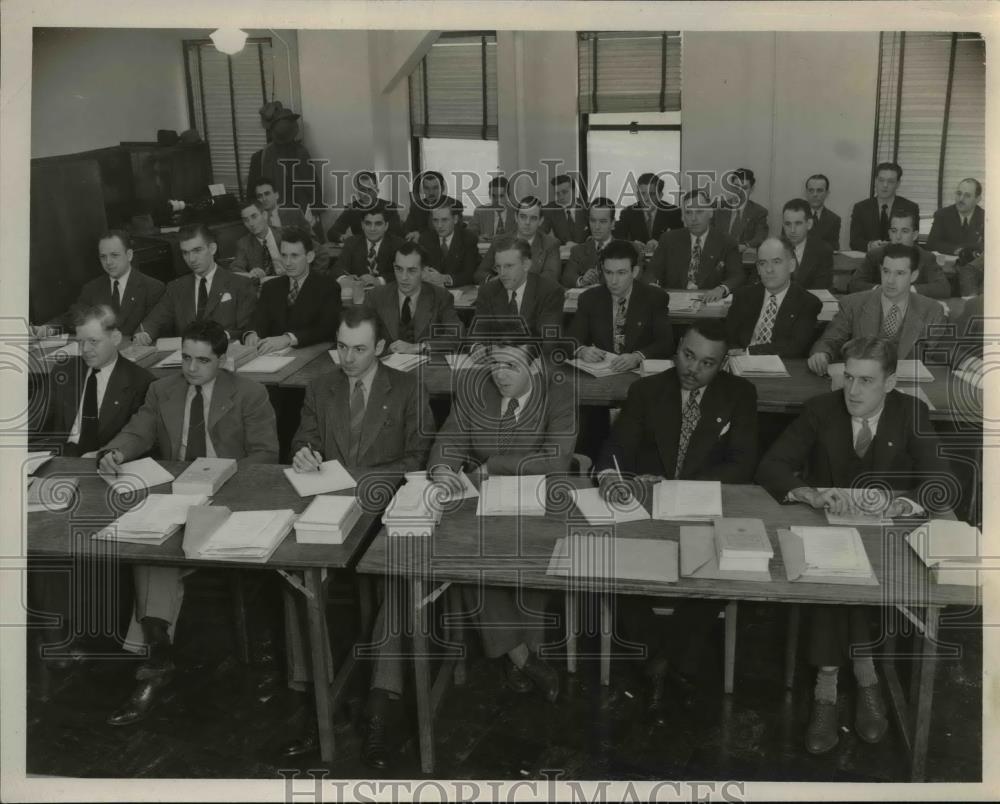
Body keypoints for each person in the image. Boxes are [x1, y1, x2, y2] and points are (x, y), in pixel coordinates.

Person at [757, 336, 949, 755]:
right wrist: (808, 493)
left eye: (867, 380)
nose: (854, 391)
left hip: (886, 540)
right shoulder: (820, 410)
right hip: (826, 532)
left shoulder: (910, 412)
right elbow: (772, 464)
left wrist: (901, 501)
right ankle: (853, 680)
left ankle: (838, 681)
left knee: (853, 578)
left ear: (891, 382)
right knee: (835, 578)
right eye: (848, 378)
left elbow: (943, 482)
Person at [97, 320, 279, 727]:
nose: (192, 368)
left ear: (223, 359)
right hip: (176, 497)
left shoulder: (250, 393)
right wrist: (114, 451)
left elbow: (266, 455)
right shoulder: (163, 390)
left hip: (229, 501)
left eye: (203, 360)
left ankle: (155, 664)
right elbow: (137, 432)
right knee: (148, 550)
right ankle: (157, 659)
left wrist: (218, 480)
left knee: (162, 554)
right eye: (186, 358)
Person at [282, 305, 433, 762]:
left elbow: (418, 457)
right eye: (342, 348)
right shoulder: (321, 386)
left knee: (397, 578)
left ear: (381, 348)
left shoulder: (407, 388)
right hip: (332, 505)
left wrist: (362, 478)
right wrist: (305, 452)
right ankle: (318, 696)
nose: (347, 359)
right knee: (294, 574)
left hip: (386, 506)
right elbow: (302, 438)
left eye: (359, 350)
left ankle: (379, 703)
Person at [596, 320, 758, 724]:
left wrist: (679, 486)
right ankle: (669, 659)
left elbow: (743, 464)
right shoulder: (646, 391)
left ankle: (660, 659)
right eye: (687, 355)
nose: (693, 368)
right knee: (611, 566)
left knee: (719, 571)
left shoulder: (740, 395)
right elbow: (615, 450)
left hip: (704, 509)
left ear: (722, 364)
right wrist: (613, 479)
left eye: (707, 363)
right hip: (647, 511)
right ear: (677, 347)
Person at [33, 304, 154, 456]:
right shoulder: (65, 370)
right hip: (61, 457)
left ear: (115, 338)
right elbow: (36, 418)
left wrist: (105, 455)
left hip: (104, 460)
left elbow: (136, 438)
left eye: (93, 341)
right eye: (80, 342)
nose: (85, 349)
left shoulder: (140, 381)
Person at [808, 243, 946, 375]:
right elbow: (830, 340)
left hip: (909, 388)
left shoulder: (932, 310)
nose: (890, 280)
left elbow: (939, 352)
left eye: (899, 273)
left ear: (914, 275)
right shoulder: (853, 304)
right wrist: (822, 354)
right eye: (886, 271)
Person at [133, 224, 256, 344]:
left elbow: (247, 330)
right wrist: (144, 334)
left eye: (197, 250)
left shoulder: (240, 284)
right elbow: (155, 320)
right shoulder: (176, 288)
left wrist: (223, 337)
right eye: (185, 253)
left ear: (212, 248)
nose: (191, 259)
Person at [34, 231, 164, 338]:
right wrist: (49, 328)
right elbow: (72, 316)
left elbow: (156, 328)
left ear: (129, 255)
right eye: (103, 256)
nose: (108, 262)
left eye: (114, 255)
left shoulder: (153, 288)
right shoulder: (92, 288)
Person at [569, 239, 674, 365]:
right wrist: (582, 351)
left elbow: (666, 343)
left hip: (638, 374)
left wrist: (637, 357)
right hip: (601, 374)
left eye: (621, 273)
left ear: (634, 272)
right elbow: (570, 338)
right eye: (608, 272)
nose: (613, 281)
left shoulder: (655, 298)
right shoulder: (589, 298)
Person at [243, 227, 341, 354]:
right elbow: (257, 319)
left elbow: (327, 329)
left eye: (294, 256)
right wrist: (251, 334)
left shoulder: (328, 287)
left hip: (311, 355)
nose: (287, 263)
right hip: (271, 357)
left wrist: (288, 339)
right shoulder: (271, 287)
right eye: (284, 255)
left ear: (310, 257)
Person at [725, 238, 822, 357]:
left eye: (776, 262)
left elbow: (795, 347)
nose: (769, 270)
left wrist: (749, 352)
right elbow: (728, 336)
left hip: (784, 367)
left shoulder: (808, 303)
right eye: (762, 263)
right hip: (740, 364)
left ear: (791, 266)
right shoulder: (743, 296)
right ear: (758, 268)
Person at [644, 189, 744, 301]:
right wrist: (652, 285)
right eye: (688, 212)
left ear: (711, 212)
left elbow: (737, 276)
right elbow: (652, 271)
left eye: (699, 211)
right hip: (672, 304)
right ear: (683, 216)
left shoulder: (726, 242)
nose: (693, 218)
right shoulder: (668, 239)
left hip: (709, 304)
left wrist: (722, 289)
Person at [368, 242, 463, 354]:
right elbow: (361, 335)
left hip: (426, 368)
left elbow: (457, 335)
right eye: (398, 269)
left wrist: (418, 347)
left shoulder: (440, 296)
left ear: (423, 271)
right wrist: (385, 350)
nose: (403, 277)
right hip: (387, 367)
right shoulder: (375, 296)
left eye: (411, 270)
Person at [472, 236, 565, 339]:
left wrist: (520, 352)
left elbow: (549, 341)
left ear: (526, 265)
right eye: (498, 267)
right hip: (495, 353)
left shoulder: (550, 292)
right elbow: (477, 336)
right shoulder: (487, 291)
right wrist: (479, 348)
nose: (502, 273)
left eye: (509, 266)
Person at [846, 209, 950, 298]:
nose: (898, 237)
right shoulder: (875, 255)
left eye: (904, 231)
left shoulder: (926, 257)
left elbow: (943, 287)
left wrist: (906, 290)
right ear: (889, 233)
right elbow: (854, 284)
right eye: (894, 231)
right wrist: (881, 289)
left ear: (914, 235)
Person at [475, 196, 561, 285]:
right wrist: (496, 281)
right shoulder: (499, 241)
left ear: (540, 221)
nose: (527, 222)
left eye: (533, 218)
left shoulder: (550, 244)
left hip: (534, 295)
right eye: (523, 217)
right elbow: (480, 274)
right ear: (516, 217)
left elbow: (551, 277)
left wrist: (518, 282)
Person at [848, 161, 920, 252]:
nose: (885, 185)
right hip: (869, 259)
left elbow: (914, 240)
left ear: (898, 184)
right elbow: (854, 242)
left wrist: (893, 246)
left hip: (899, 259)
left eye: (890, 181)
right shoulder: (861, 208)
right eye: (881, 180)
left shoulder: (910, 207)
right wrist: (870, 245)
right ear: (875, 181)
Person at [334, 204, 405, 293]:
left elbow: (403, 272)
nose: (372, 229)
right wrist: (344, 279)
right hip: (357, 295)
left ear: (386, 226)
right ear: (362, 225)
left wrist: (379, 281)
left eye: (378, 224)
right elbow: (338, 268)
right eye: (368, 223)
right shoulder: (351, 243)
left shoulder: (398, 244)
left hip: (388, 295)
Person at [614, 171, 683, 253]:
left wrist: (661, 244)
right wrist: (632, 244)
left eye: (652, 194)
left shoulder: (673, 212)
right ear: (638, 195)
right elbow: (618, 238)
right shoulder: (628, 213)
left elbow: (680, 240)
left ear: (660, 195)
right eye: (643, 194)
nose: (646, 199)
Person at [326, 170, 404, 241]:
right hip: (359, 251)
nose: (366, 194)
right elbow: (332, 232)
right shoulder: (352, 208)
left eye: (369, 189)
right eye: (362, 190)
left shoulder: (389, 207)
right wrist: (342, 237)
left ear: (376, 190)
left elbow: (397, 233)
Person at [418, 199, 479, 288]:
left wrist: (446, 278)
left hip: (460, 290)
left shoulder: (468, 239)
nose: (439, 225)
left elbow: (470, 274)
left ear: (455, 219)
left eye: (444, 220)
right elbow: (421, 267)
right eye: (435, 220)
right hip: (432, 290)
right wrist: (423, 272)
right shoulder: (425, 239)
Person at [561, 197, 616, 288]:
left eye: (602, 221)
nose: (596, 227)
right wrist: (582, 281)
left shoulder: (626, 250)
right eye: (593, 221)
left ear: (613, 223)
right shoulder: (578, 251)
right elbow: (567, 278)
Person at [781, 198, 834, 289]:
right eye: (788, 224)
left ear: (809, 224)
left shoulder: (823, 251)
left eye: (798, 223)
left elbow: (822, 288)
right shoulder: (774, 249)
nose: (792, 230)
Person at [713, 168, 769, 252]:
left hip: (743, 256)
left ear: (752, 189)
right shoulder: (718, 208)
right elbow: (708, 232)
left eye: (745, 188)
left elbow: (760, 236)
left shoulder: (759, 212)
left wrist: (746, 245)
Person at [926, 178, 985, 256]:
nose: (961, 199)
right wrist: (956, 250)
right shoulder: (942, 215)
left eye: (967, 195)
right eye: (959, 193)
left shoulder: (985, 218)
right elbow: (932, 244)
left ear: (977, 199)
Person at [231, 199, 284, 280]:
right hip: (265, 286)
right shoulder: (244, 243)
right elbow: (235, 269)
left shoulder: (284, 234)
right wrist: (250, 274)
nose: (251, 223)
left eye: (254, 216)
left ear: (265, 215)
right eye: (246, 220)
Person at [404, 171, 459, 240]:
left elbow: (454, 233)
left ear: (442, 188)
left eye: (435, 188)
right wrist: (412, 234)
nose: (431, 192)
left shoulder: (454, 205)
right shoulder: (416, 206)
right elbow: (407, 229)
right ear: (423, 189)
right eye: (427, 188)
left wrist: (421, 235)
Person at [541, 173, 589, 245]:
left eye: (564, 192)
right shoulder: (550, 209)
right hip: (563, 253)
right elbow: (540, 234)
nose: (561, 197)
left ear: (574, 191)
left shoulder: (588, 208)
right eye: (557, 194)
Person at [470, 175, 516, 240]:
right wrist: (478, 237)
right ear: (489, 194)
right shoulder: (480, 212)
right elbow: (470, 233)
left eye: (501, 196)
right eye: (494, 196)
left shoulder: (516, 213)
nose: (497, 200)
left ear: (508, 196)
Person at [804, 174, 842, 251]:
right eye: (811, 190)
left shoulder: (834, 219)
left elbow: (834, 248)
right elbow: (786, 245)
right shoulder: (794, 215)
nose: (815, 195)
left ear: (827, 193)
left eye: (819, 190)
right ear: (806, 193)